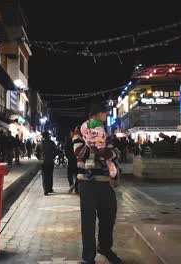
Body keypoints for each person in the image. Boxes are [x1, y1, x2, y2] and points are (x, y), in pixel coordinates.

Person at [74, 103, 121, 264]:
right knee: (88, 221)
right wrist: (100, 151)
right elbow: (79, 152)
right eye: (105, 115)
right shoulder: (78, 131)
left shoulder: (105, 132)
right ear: (97, 114)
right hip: (87, 183)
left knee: (109, 217)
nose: (106, 117)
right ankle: (88, 257)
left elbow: (115, 152)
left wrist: (103, 151)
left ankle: (105, 247)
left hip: (105, 183)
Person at [41, 131, 56, 195]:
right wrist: (53, 156)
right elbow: (55, 151)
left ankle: (45, 190)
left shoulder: (39, 143)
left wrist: (40, 158)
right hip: (50, 161)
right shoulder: (52, 143)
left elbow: (36, 152)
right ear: (48, 136)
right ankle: (50, 188)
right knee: (50, 175)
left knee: (44, 176)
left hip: (43, 162)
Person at [65, 129, 79, 194]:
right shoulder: (78, 140)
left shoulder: (69, 140)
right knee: (77, 174)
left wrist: (68, 157)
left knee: (69, 174)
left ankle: (71, 185)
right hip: (77, 160)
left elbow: (66, 150)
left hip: (71, 160)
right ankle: (76, 188)